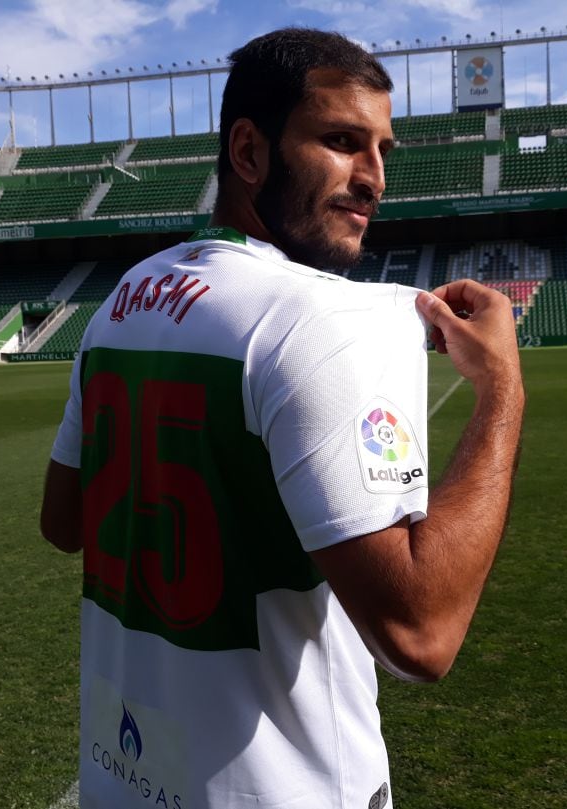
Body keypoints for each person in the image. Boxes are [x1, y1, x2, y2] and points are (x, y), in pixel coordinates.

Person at [40, 27, 524, 809]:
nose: (373, 179)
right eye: (341, 141)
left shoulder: (120, 302)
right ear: (249, 151)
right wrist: (502, 388)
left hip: (121, 780)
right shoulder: (320, 319)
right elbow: (421, 635)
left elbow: (64, 521)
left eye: (383, 151)